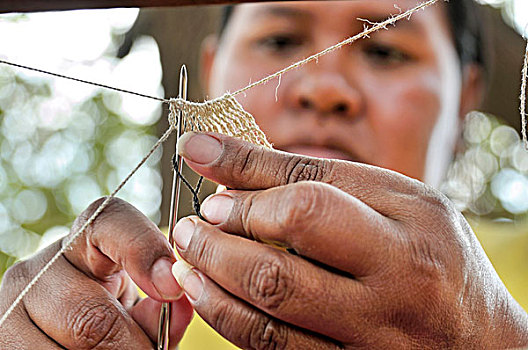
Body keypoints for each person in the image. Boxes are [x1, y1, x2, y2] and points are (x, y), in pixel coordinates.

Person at [1, 0, 527, 349]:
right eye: (278, 42)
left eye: (384, 50)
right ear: (210, 77)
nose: (322, 89)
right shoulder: (121, 287)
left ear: (464, 102)